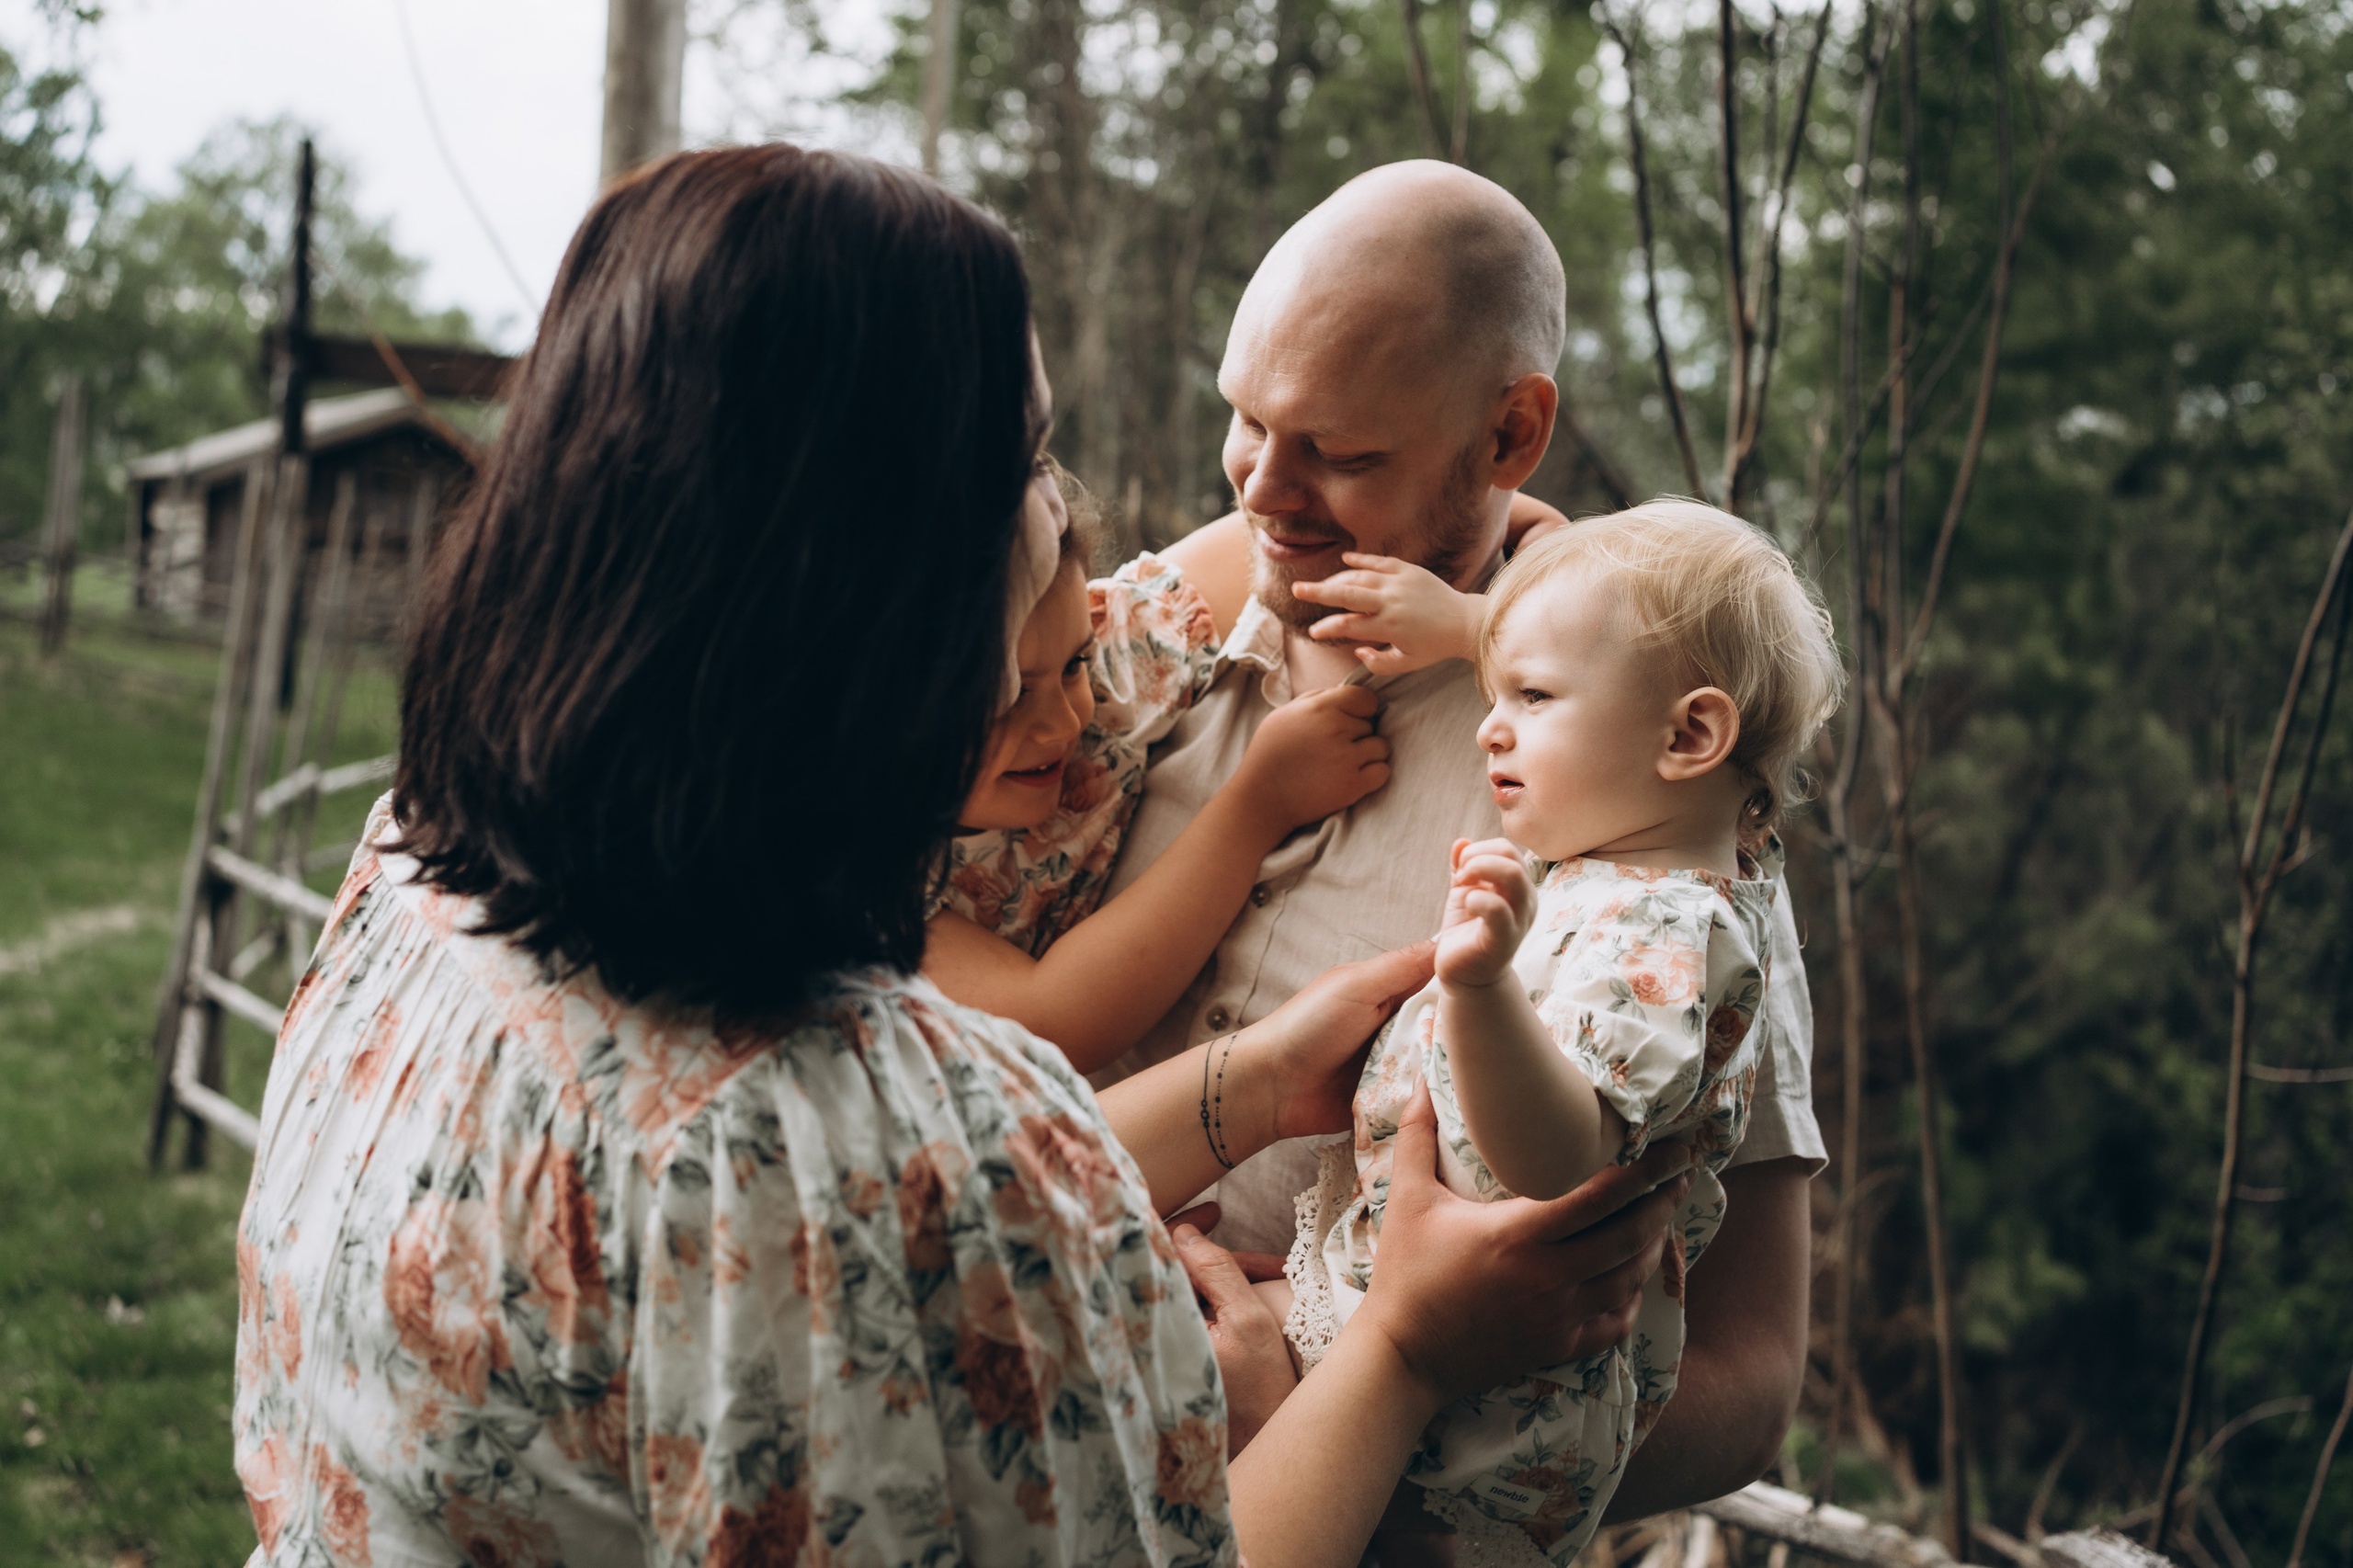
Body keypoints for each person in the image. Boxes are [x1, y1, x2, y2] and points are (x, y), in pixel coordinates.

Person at [230, 145, 1691, 1568]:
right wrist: (1407, 1350)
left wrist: (1546, 601)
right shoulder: (894, 1158)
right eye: (1031, 458)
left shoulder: (413, 874)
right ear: (890, 594)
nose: (1090, 517)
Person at [1108, 159, 1827, 1517]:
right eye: (1244, 420)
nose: (1263, 488)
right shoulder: (1135, 662)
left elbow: (1749, 1368)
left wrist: (1367, 1441)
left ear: (1511, 438)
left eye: (1342, 451)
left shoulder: (1652, 803)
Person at [1267, 505, 1845, 1566]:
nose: (1491, 726)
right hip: (1406, 1302)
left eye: (1530, 698)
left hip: (1481, 1389)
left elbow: (1556, 1154)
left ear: (1688, 736)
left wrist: (1479, 988)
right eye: (1497, 696)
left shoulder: (1676, 932)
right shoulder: (1601, 878)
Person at [923, 466, 1391, 1070]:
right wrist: (1258, 805)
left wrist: (1508, 522)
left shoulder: (1107, 651)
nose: (1062, 723)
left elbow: (1273, 541)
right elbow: (1052, 1022)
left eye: (1072, 666)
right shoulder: (857, 872)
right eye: (1007, 699)